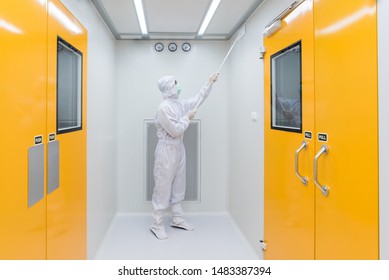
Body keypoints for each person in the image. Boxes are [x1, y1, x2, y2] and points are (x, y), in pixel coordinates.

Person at [150, 73, 219, 239]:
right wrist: (187, 118)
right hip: (166, 151)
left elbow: (197, 100)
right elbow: (174, 131)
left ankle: (177, 218)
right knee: (163, 186)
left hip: (179, 148)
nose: (178, 85)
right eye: (176, 83)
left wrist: (209, 83)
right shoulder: (163, 108)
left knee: (179, 184)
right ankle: (157, 224)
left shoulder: (178, 104)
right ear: (169, 87)